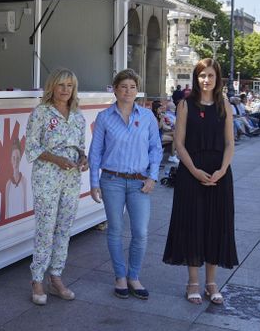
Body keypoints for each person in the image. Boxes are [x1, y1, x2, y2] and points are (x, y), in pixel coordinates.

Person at [163, 58, 238, 306]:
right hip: (190, 172)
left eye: (211, 76)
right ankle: (193, 282)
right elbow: (179, 143)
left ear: (218, 79)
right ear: (196, 78)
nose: (206, 80)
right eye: (202, 75)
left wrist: (222, 169)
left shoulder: (224, 105)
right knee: (193, 224)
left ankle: (211, 282)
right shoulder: (185, 105)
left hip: (219, 174)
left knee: (216, 224)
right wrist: (194, 171)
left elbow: (230, 143)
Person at [89, 69, 163, 300]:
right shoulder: (104, 117)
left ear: (137, 90)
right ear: (115, 89)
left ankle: (134, 276)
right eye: (123, 87)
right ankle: (120, 276)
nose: (128, 91)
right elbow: (95, 152)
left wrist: (152, 176)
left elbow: (156, 148)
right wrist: (93, 182)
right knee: (116, 230)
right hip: (111, 181)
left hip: (140, 182)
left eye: (132, 87)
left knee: (140, 232)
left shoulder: (148, 116)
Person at [24, 69, 87, 305]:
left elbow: (80, 145)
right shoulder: (41, 113)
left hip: (71, 178)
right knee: (45, 227)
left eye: (70, 86)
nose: (65, 90)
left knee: (64, 227)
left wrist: (83, 158)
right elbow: (31, 146)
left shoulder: (78, 115)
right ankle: (37, 278)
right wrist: (56, 159)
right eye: (61, 85)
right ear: (52, 87)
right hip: (47, 176)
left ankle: (56, 276)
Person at [5, 139, 30, 218]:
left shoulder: (24, 181)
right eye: (14, 158)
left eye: (18, 158)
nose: (16, 161)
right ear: (11, 159)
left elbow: (25, 205)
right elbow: (7, 211)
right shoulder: (8, 184)